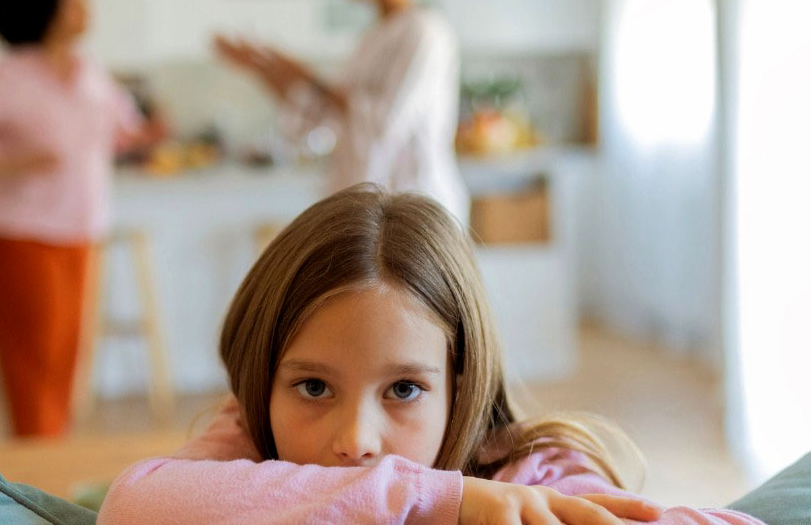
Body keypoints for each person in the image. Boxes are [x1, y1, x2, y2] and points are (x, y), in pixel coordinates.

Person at [96, 185, 762, 524]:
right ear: (262, 379)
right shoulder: (247, 435)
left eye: (404, 390)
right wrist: (434, 498)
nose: (356, 440)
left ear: (459, 382)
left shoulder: (527, 470)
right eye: (314, 388)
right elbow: (132, 507)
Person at [0, 0, 167, 438]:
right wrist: (6, 159)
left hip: (79, 232)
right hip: (16, 235)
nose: (86, 8)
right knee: (33, 367)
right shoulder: (8, 76)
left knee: (67, 365)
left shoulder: (90, 70)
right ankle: (37, 483)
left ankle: (50, 474)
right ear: (47, 6)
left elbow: (119, 129)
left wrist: (144, 136)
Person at [214, 0, 469, 224]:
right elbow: (320, 114)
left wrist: (299, 71)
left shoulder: (425, 32)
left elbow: (384, 122)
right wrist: (263, 68)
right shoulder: (373, 37)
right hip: (370, 209)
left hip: (416, 211)